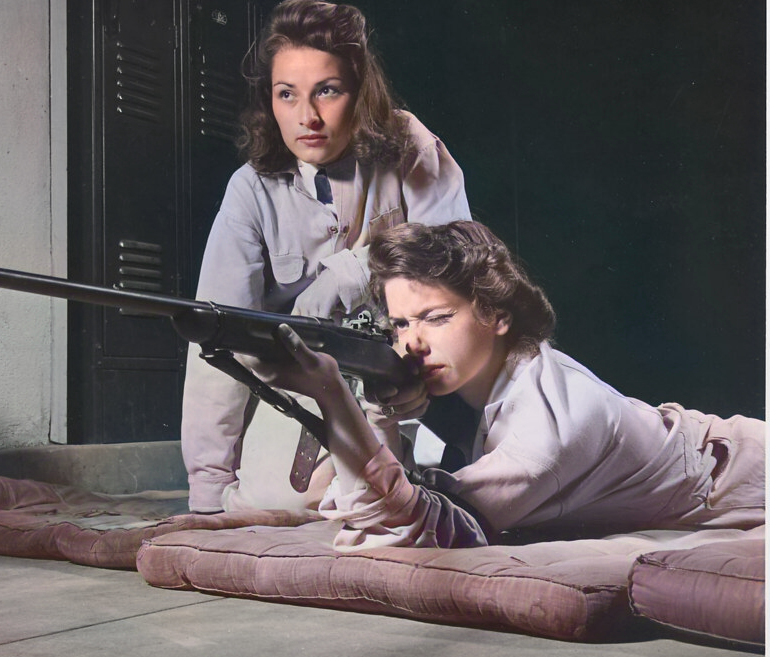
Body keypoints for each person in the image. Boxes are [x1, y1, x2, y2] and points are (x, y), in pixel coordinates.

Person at [254, 221, 766, 549]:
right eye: (401, 324)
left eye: (434, 318)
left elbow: (408, 529)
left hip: (746, 475)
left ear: (497, 314)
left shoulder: (547, 431)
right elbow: (393, 490)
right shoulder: (493, 373)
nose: (412, 344)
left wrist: (334, 396)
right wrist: (385, 408)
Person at [182, 0, 472, 513]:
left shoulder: (408, 144)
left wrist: (351, 272)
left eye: (328, 91)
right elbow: (217, 341)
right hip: (313, 382)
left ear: (360, 93)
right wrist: (205, 496)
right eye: (286, 94)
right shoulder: (249, 190)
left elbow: (458, 259)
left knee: (499, 480)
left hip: (425, 371)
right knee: (281, 503)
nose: (307, 117)